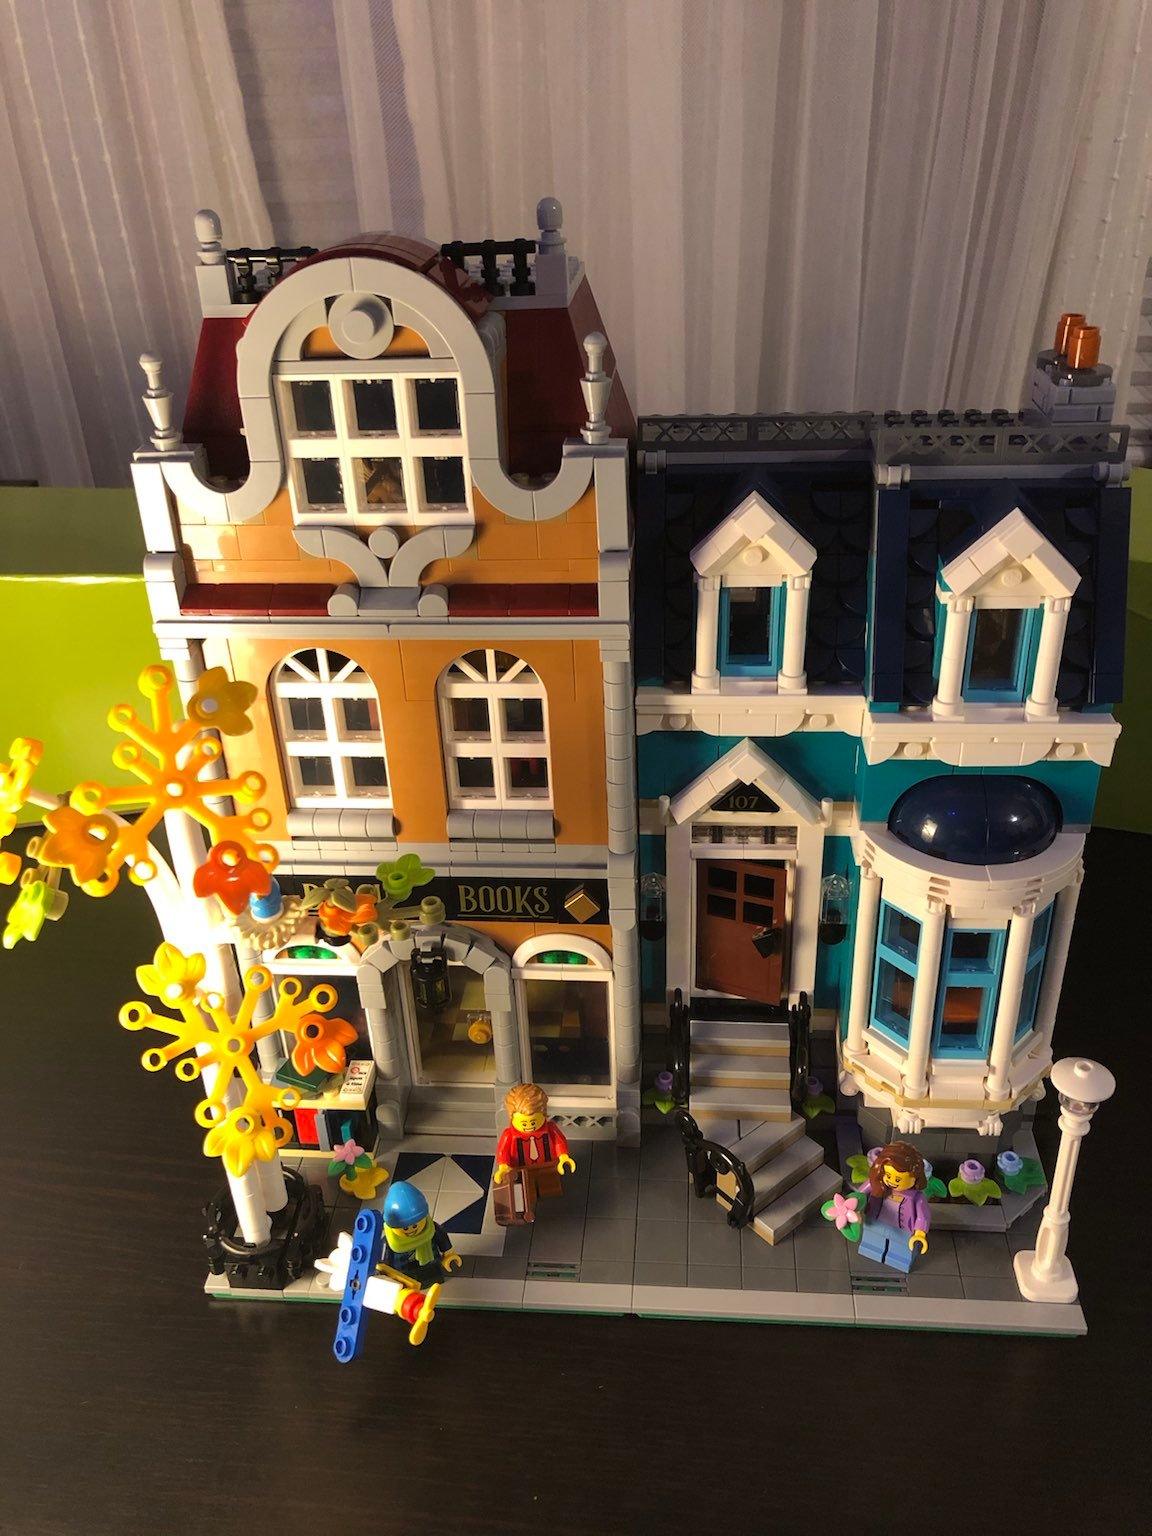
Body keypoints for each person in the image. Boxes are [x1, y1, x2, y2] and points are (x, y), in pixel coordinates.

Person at [493, 1082, 576, 1209]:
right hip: (521, 1169)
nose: (529, 1127)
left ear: (544, 1114)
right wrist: (503, 1166)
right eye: (524, 1124)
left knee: (550, 1188)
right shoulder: (508, 1135)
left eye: (533, 1122)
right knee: (527, 1193)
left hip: (547, 1166)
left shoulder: (550, 1129)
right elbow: (502, 1152)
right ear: (512, 1117)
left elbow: (559, 1142)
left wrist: (563, 1157)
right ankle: (530, 1199)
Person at [857, 1140, 930, 1272]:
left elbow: (922, 1216)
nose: (892, 1181)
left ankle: (899, 1260)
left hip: (903, 1229)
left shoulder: (917, 1198)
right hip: (875, 1221)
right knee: (872, 1241)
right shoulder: (876, 1184)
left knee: (901, 1249)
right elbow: (859, 1196)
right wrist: (854, 1208)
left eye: (897, 1179)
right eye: (888, 1175)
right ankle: (871, 1249)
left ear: (915, 1177)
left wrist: (919, 1233)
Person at [380, 1180, 462, 1283]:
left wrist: (448, 1254)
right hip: (403, 1273)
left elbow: (442, 1238)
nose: (411, 1230)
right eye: (405, 1228)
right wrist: (387, 1273)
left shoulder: (430, 1229)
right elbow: (384, 1261)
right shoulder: (389, 1241)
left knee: (433, 1278)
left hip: (430, 1266)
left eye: (415, 1226)